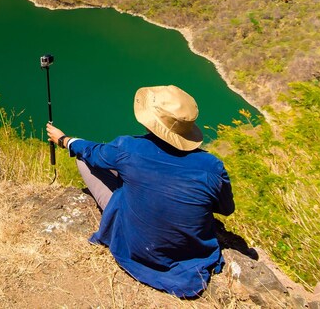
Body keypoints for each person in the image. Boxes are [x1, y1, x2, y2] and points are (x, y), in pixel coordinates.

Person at [46, 84, 234, 299]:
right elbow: (226, 209)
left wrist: (64, 140)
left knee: (86, 159)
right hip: (189, 259)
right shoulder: (212, 166)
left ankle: (118, 220)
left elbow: (91, 151)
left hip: (133, 249)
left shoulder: (128, 148)